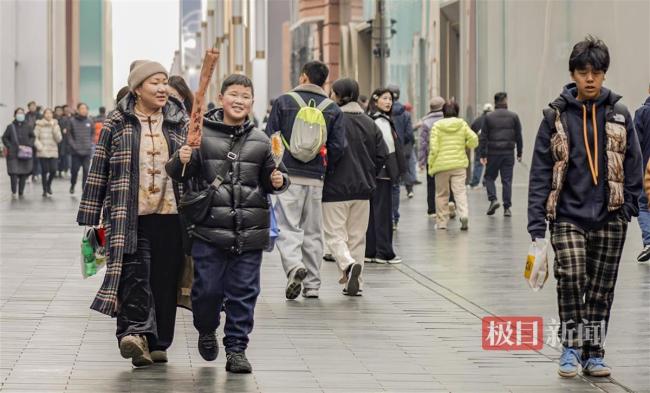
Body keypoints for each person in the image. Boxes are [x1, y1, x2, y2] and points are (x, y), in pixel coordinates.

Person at [528, 36, 642, 378]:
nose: (589, 78)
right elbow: (540, 171)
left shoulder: (620, 114)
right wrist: (536, 225)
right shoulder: (555, 116)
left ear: (604, 74)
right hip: (566, 216)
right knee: (572, 277)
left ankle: (594, 353)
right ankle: (571, 346)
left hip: (610, 216)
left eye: (596, 72)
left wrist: (628, 207)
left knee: (601, 289)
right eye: (582, 72)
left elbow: (634, 162)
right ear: (573, 74)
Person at [167, 74, 289, 373]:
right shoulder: (199, 135)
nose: (239, 100)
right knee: (206, 291)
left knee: (244, 292)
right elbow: (178, 173)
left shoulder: (261, 140)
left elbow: (275, 178)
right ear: (221, 98)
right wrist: (181, 158)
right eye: (234, 94)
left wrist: (278, 180)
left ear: (252, 102)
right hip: (209, 231)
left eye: (245, 96)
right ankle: (206, 328)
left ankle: (236, 348)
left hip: (250, 232)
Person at [77, 60, 188, 367]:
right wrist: (92, 211)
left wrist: (190, 157)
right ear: (138, 89)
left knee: (165, 280)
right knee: (134, 274)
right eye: (154, 82)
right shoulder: (118, 122)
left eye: (164, 81)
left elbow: (196, 169)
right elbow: (99, 166)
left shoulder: (180, 120)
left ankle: (159, 342)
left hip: (171, 214)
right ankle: (134, 334)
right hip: (129, 214)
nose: (162, 87)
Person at [265, 60, 346, 300]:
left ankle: (293, 266)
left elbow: (272, 138)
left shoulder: (283, 102)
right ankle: (313, 285)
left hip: (287, 176)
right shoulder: (332, 108)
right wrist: (323, 168)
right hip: (316, 178)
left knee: (288, 226)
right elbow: (339, 147)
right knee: (313, 231)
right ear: (325, 81)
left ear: (302, 77)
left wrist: (277, 168)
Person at [322, 78, 388, 296]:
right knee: (358, 237)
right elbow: (382, 155)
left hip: (334, 187)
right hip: (363, 189)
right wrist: (369, 172)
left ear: (340, 96)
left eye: (333, 93)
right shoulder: (370, 123)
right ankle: (356, 283)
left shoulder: (332, 119)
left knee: (334, 235)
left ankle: (348, 265)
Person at [365, 87, 405, 264]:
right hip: (383, 173)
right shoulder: (382, 121)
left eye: (390, 99)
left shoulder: (372, 119)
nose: (388, 102)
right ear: (376, 100)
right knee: (383, 213)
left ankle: (370, 251)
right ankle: (384, 252)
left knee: (373, 213)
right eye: (385, 98)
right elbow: (388, 148)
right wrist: (393, 171)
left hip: (373, 173)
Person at [427, 100, 478, 230]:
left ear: (443, 112)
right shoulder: (462, 124)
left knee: (442, 194)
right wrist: (467, 146)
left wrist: (431, 164)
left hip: (441, 166)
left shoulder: (437, 126)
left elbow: (434, 148)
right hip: (459, 165)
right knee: (460, 192)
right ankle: (464, 215)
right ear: (457, 112)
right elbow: (474, 139)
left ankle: (442, 223)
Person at [479, 92, 523, 216]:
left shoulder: (489, 117)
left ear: (495, 102)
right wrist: (519, 152)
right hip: (508, 153)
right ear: (506, 101)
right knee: (507, 180)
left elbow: (483, 137)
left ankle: (493, 200)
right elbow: (519, 136)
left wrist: (483, 154)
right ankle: (507, 208)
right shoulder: (514, 116)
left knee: (489, 177)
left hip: (493, 153)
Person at [387, 85, 415, 228]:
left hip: (386, 153)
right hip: (400, 153)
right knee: (395, 186)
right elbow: (410, 134)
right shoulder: (405, 114)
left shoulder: (384, 112)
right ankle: (394, 218)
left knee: (384, 185)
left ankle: (386, 216)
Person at [418, 96, 445, 216]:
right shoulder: (448, 119)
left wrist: (421, 161)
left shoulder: (426, 122)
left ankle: (432, 210)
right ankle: (450, 204)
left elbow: (423, 143)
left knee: (431, 183)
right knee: (447, 182)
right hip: (447, 156)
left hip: (432, 157)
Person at [2, 108, 35, 198]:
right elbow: (4, 138)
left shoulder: (28, 126)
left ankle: (21, 191)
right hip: (13, 154)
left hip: (25, 153)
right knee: (13, 172)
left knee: (24, 172)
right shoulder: (10, 126)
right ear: (15, 115)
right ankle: (13, 190)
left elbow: (32, 137)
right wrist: (10, 146)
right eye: (18, 113)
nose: (20, 115)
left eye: (22, 113)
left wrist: (29, 145)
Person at [635, 84, 650, 262]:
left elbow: (634, 143)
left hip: (647, 170)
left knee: (644, 205)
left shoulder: (642, 113)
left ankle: (649, 240)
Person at [34, 108, 62, 196]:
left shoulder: (56, 125)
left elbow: (59, 139)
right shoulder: (39, 125)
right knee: (44, 171)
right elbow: (34, 137)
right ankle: (44, 190)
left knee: (53, 170)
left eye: (50, 113)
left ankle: (49, 184)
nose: (48, 115)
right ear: (44, 115)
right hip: (43, 151)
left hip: (53, 150)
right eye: (47, 113)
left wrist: (54, 128)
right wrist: (40, 147)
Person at [68, 103, 94, 194]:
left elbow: (92, 134)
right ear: (78, 110)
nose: (84, 110)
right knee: (74, 171)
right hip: (76, 152)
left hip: (86, 151)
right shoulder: (72, 121)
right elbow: (69, 136)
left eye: (85, 108)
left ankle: (84, 188)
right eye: (82, 108)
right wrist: (74, 146)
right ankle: (73, 184)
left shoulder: (90, 121)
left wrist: (90, 144)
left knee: (86, 171)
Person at [469, 103, 493, 188]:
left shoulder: (478, 120)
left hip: (479, 144)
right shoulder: (493, 119)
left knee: (478, 163)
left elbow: (471, 131)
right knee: (489, 164)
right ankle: (486, 181)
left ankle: (475, 182)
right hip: (490, 145)